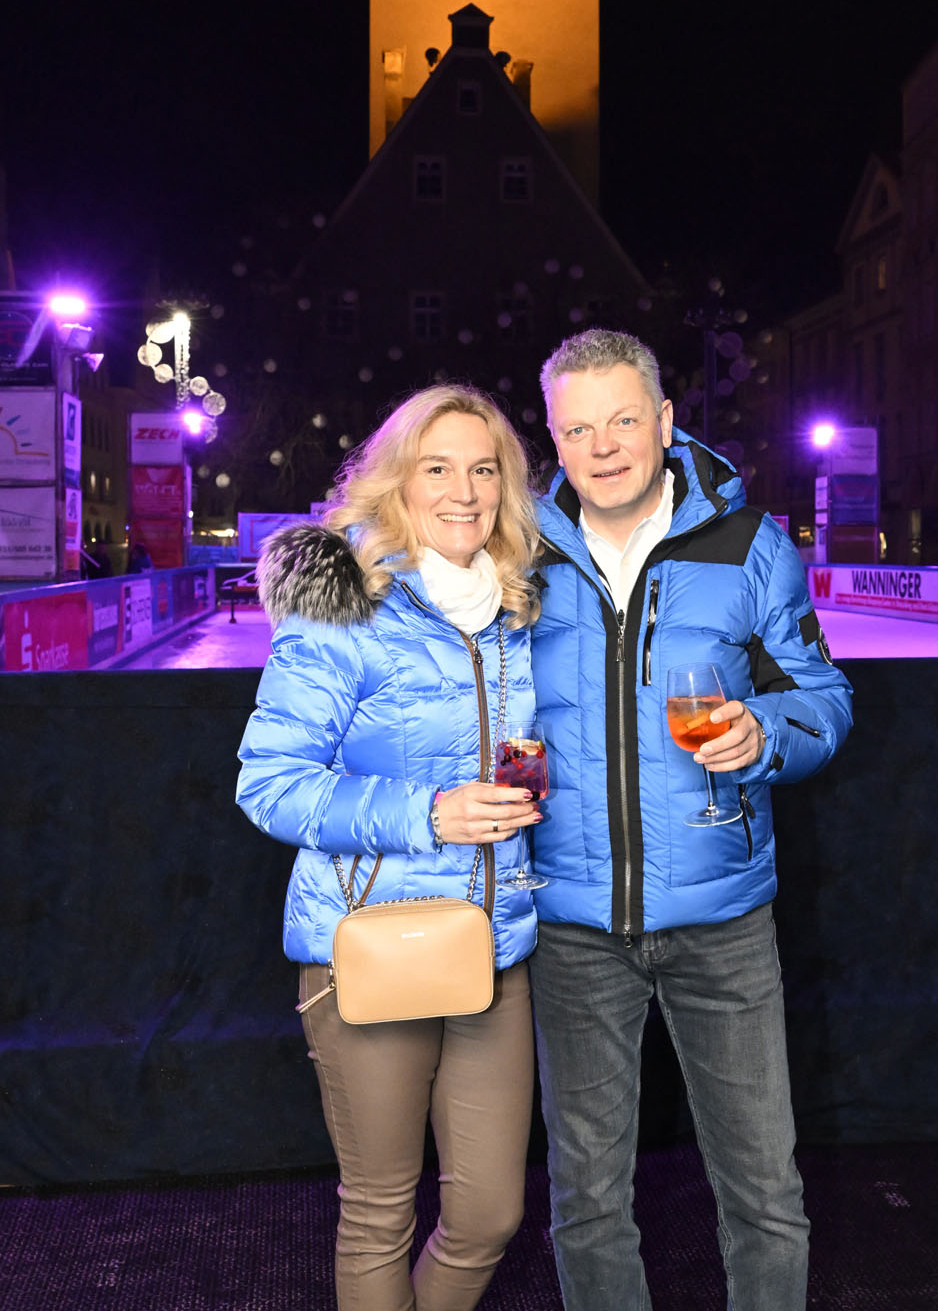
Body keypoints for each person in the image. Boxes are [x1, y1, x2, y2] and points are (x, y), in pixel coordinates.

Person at [528, 329, 854, 1310]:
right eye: (577, 428)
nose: (603, 446)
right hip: (571, 923)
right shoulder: (516, 551)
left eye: (624, 419)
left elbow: (823, 699)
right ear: (553, 436)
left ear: (665, 421)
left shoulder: (748, 544)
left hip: (722, 919)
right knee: (586, 1199)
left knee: (763, 1191)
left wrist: (766, 730)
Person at [237, 386, 544, 1311]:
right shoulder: (346, 607)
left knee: (489, 1214)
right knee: (379, 1213)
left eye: (483, 469)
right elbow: (270, 785)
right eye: (436, 468)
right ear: (396, 482)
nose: (463, 491)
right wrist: (429, 813)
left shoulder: (517, 607)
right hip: (374, 943)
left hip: (494, 947)